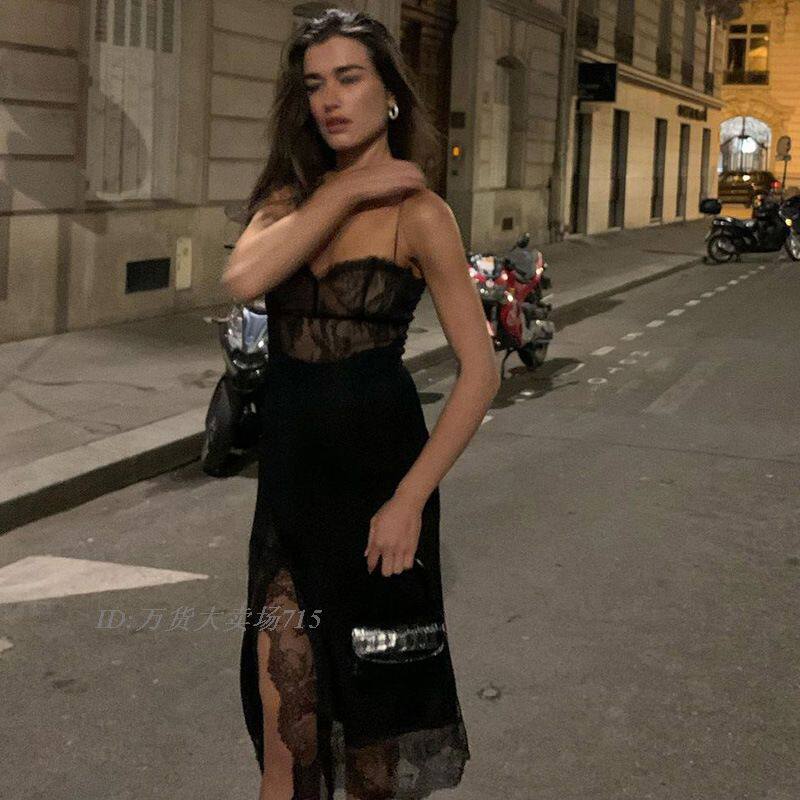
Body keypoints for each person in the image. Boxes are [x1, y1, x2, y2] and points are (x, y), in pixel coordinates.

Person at [222, 9, 499, 800]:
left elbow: (480, 373)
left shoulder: (422, 215)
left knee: (376, 751)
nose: (330, 99)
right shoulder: (287, 202)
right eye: (316, 84)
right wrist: (344, 189)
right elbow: (244, 279)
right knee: (288, 736)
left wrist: (409, 500)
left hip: (383, 498)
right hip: (291, 498)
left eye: (349, 78)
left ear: (390, 94)